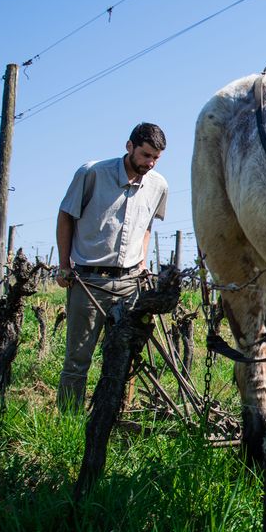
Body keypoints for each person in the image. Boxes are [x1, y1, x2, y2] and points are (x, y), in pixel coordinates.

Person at [54, 122, 169, 410]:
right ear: (129, 146)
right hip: (90, 281)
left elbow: (146, 226)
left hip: (130, 283)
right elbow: (66, 216)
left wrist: (141, 261)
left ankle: (113, 416)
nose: (149, 163)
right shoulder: (92, 173)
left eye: (155, 158)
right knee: (78, 359)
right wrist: (63, 264)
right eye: (145, 155)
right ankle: (68, 421)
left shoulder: (159, 185)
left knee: (124, 356)